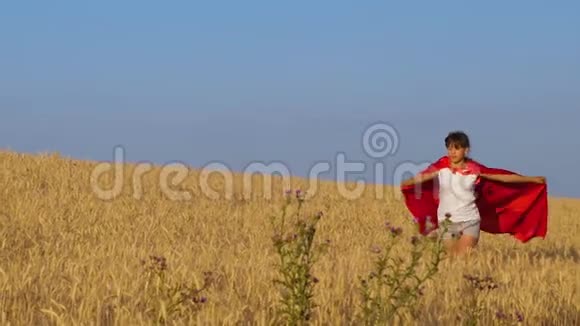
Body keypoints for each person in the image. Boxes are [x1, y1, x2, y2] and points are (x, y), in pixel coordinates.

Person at [400, 131, 547, 256]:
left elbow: (501, 176)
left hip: (470, 220)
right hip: (447, 222)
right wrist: (406, 184)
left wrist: (531, 179)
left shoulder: (474, 169)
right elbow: (421, 177)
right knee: (451, 259)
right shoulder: (440, 167)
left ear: (466, 150)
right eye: (449, 148)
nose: (452, 152)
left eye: (456, 148)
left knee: (463, 258)